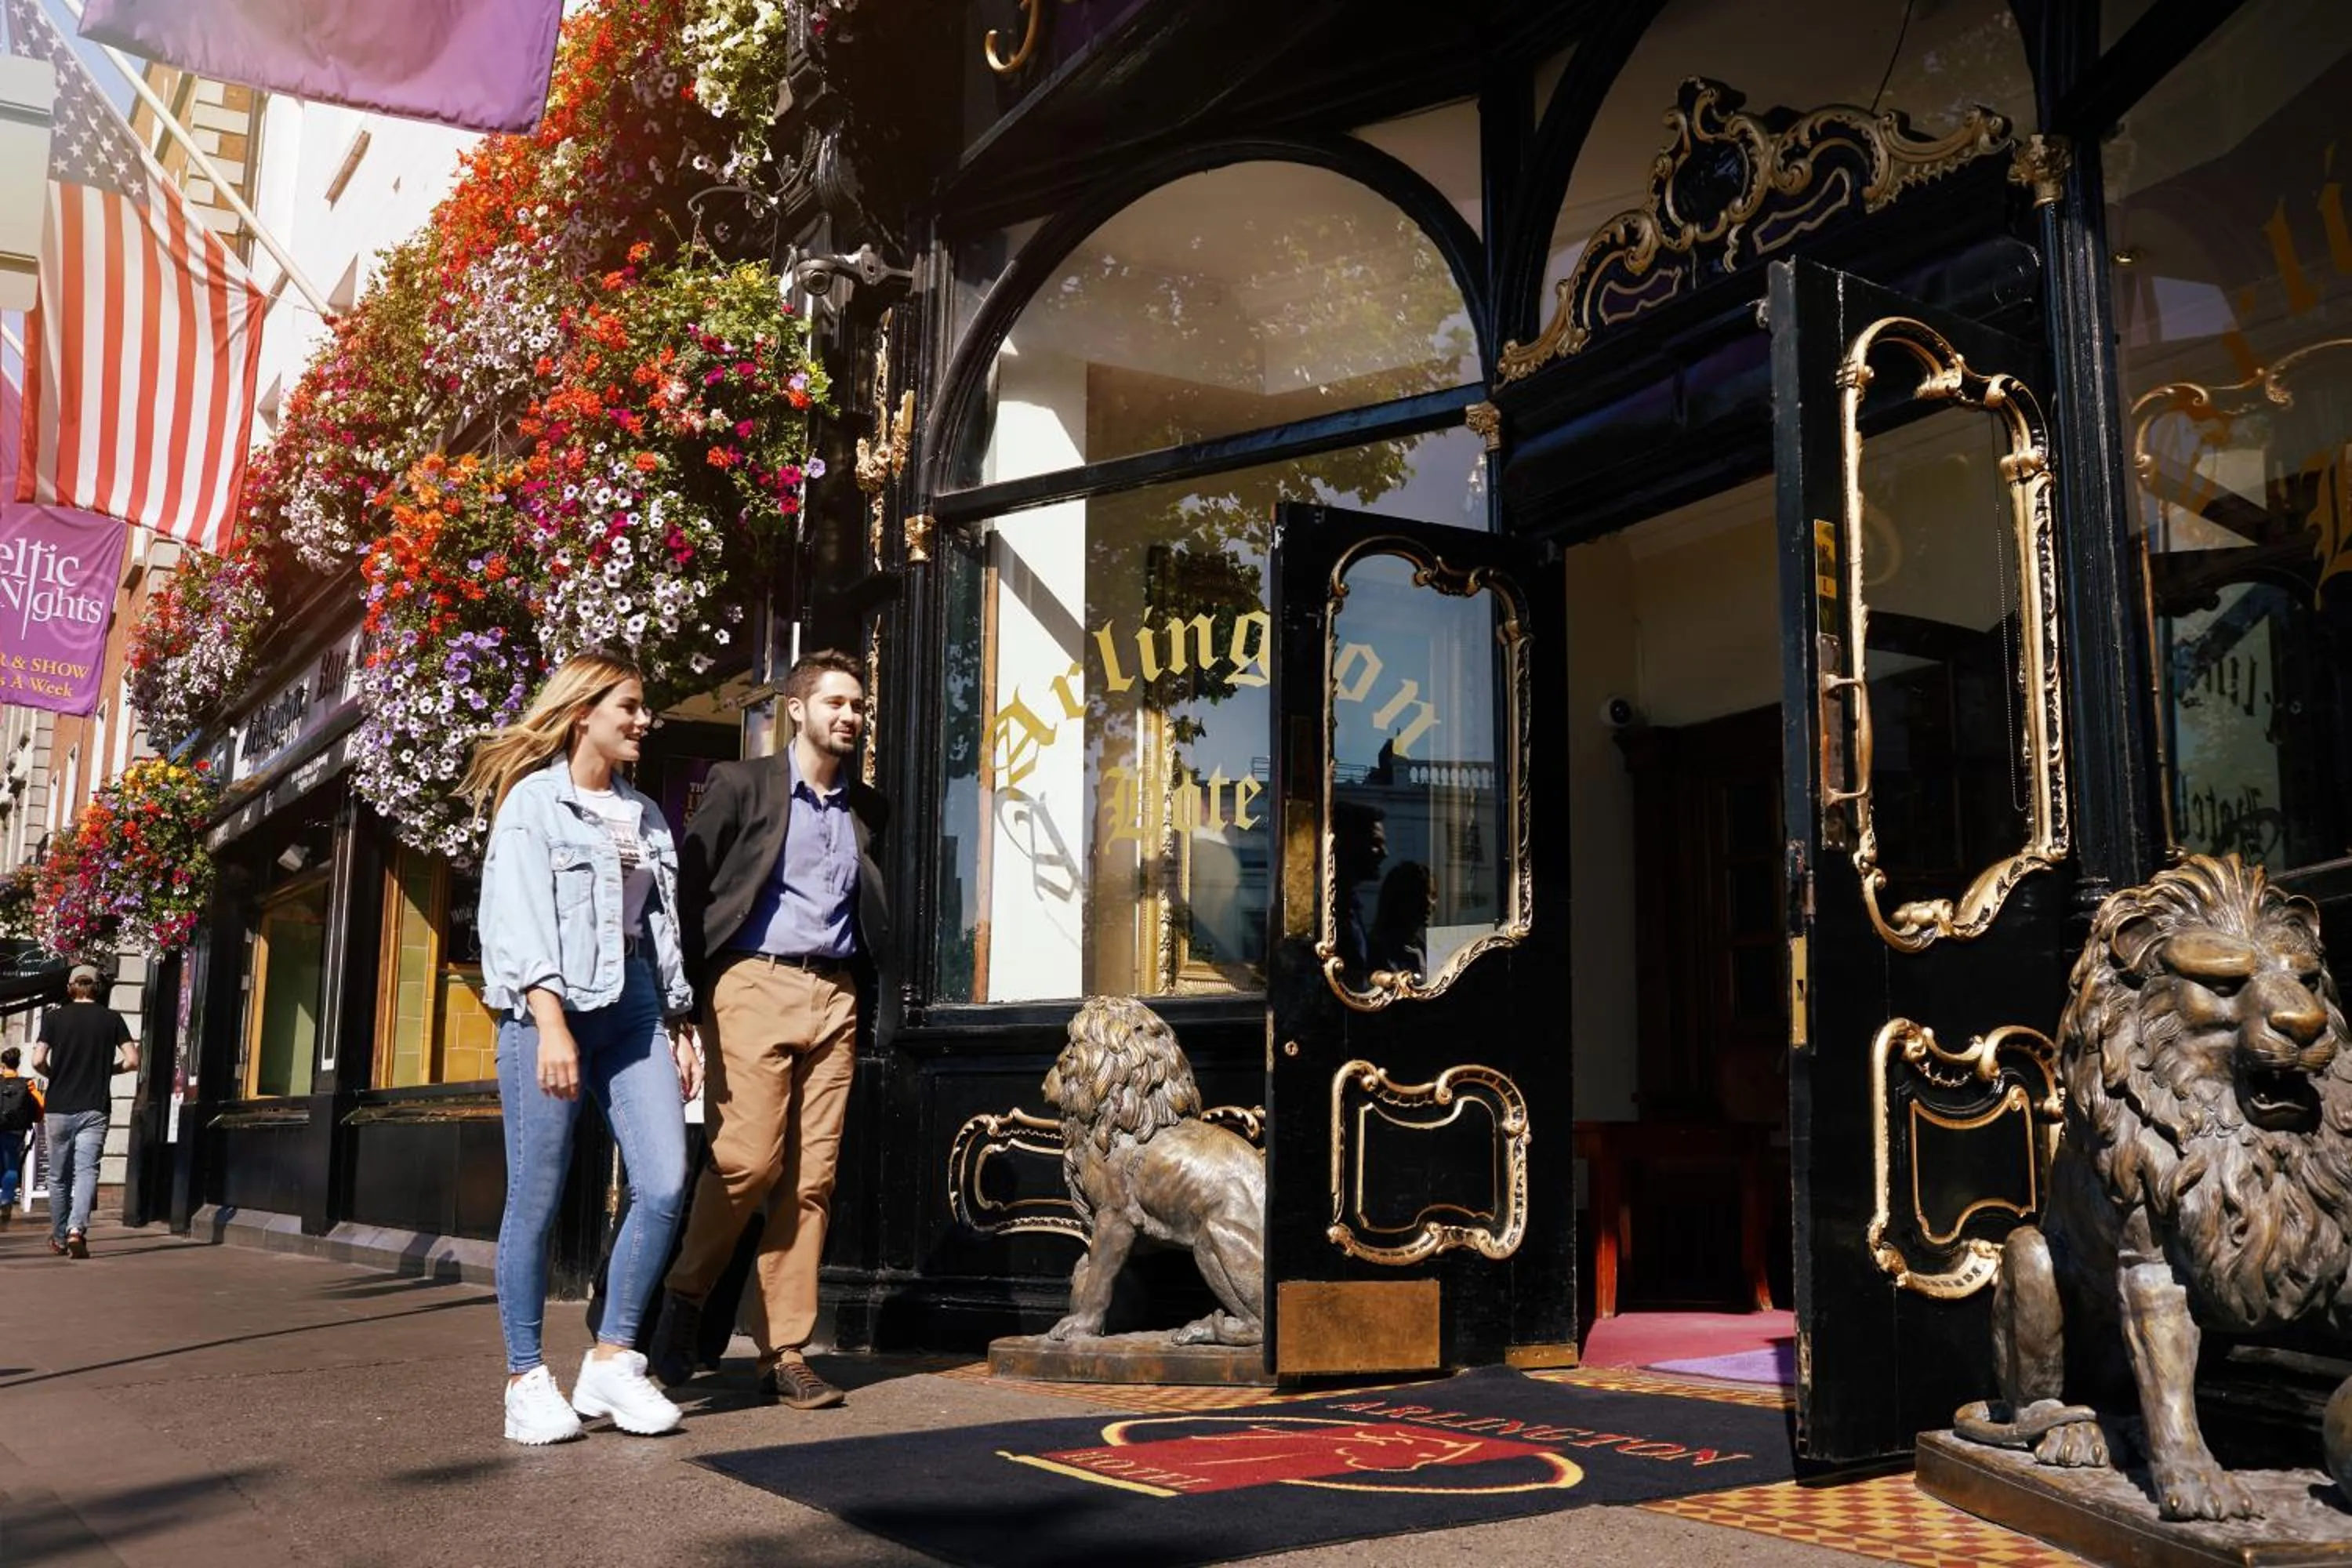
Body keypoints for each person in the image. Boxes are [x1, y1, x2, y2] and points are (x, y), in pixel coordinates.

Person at [465, 648, 701, 1445]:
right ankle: (525, 1377)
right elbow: (514, 918)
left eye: (643, 707)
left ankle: (611, 1358)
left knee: (664, 1181)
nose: (644, 720)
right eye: (629, 706)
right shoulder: (533, 804)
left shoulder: (647, 814)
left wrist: (677, 1020)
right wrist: (550, 1020)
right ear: (582, 714)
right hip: (549, 1007)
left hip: (632, 1006)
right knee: (537, 1196)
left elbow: (659, 928)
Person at [651, 649, 890, 1410]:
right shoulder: (742, 785)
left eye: (858, 704)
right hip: (753, 981)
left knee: (811, 1180)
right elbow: (691, 893)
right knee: (747, 1162)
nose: (849, 715)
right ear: (797, 709)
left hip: (836, 993)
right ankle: (685, 1297)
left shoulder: (867, 808)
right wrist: (684, 1003)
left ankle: (784, 1350)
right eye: (836, 702)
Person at [31, 964, 134, 1257]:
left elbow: (37, 1060)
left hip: (59, 1106)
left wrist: (54, 1073)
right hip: (95, 1107)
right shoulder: (112, 1019)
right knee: (87, 1171)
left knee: (58, 1176)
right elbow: (132, 1060)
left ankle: (60, 1238)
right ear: (98, 989)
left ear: (70, 988)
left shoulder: (54, 1018)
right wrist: (107, 1070)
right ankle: (77, 1230)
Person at [1329, 799, 1387, 982]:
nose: (1384, 853)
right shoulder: (1330, 908)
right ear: (1349, 844)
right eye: (1375, 843)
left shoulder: (1349, 904)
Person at [0, 1044, 45, 1226]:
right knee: (11, 1167)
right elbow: (41, 1106)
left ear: (3, 1065)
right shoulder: (27, 1084)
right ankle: (6, 1200)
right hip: (15, 1132)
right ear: (17, 1064)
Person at [1368, 859, 1435, 978]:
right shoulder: (1379, 950)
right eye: (1420, 895)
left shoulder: (1422, 947)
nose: (1429, 903)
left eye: (1433, 896)